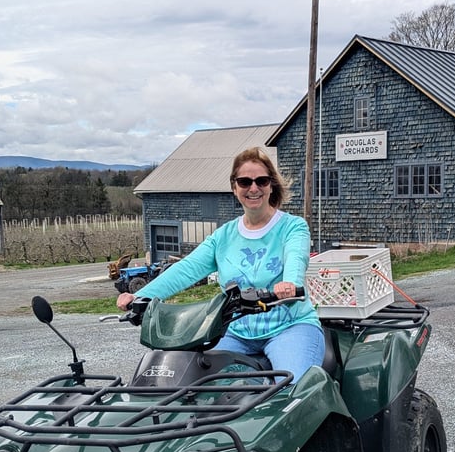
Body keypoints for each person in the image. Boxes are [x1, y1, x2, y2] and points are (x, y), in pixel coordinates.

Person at [116, 147, 325, 382]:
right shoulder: (222, 237)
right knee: (198, 385)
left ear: (271, 185)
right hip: (236, 332)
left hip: (289, 327)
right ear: (234, 187)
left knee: (292, 389)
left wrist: (290, 284)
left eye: (262, 181)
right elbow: (186, 269)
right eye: (245, 182)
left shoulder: (293, 227)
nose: (253, 188)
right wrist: (141, 296)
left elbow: (297, 257)